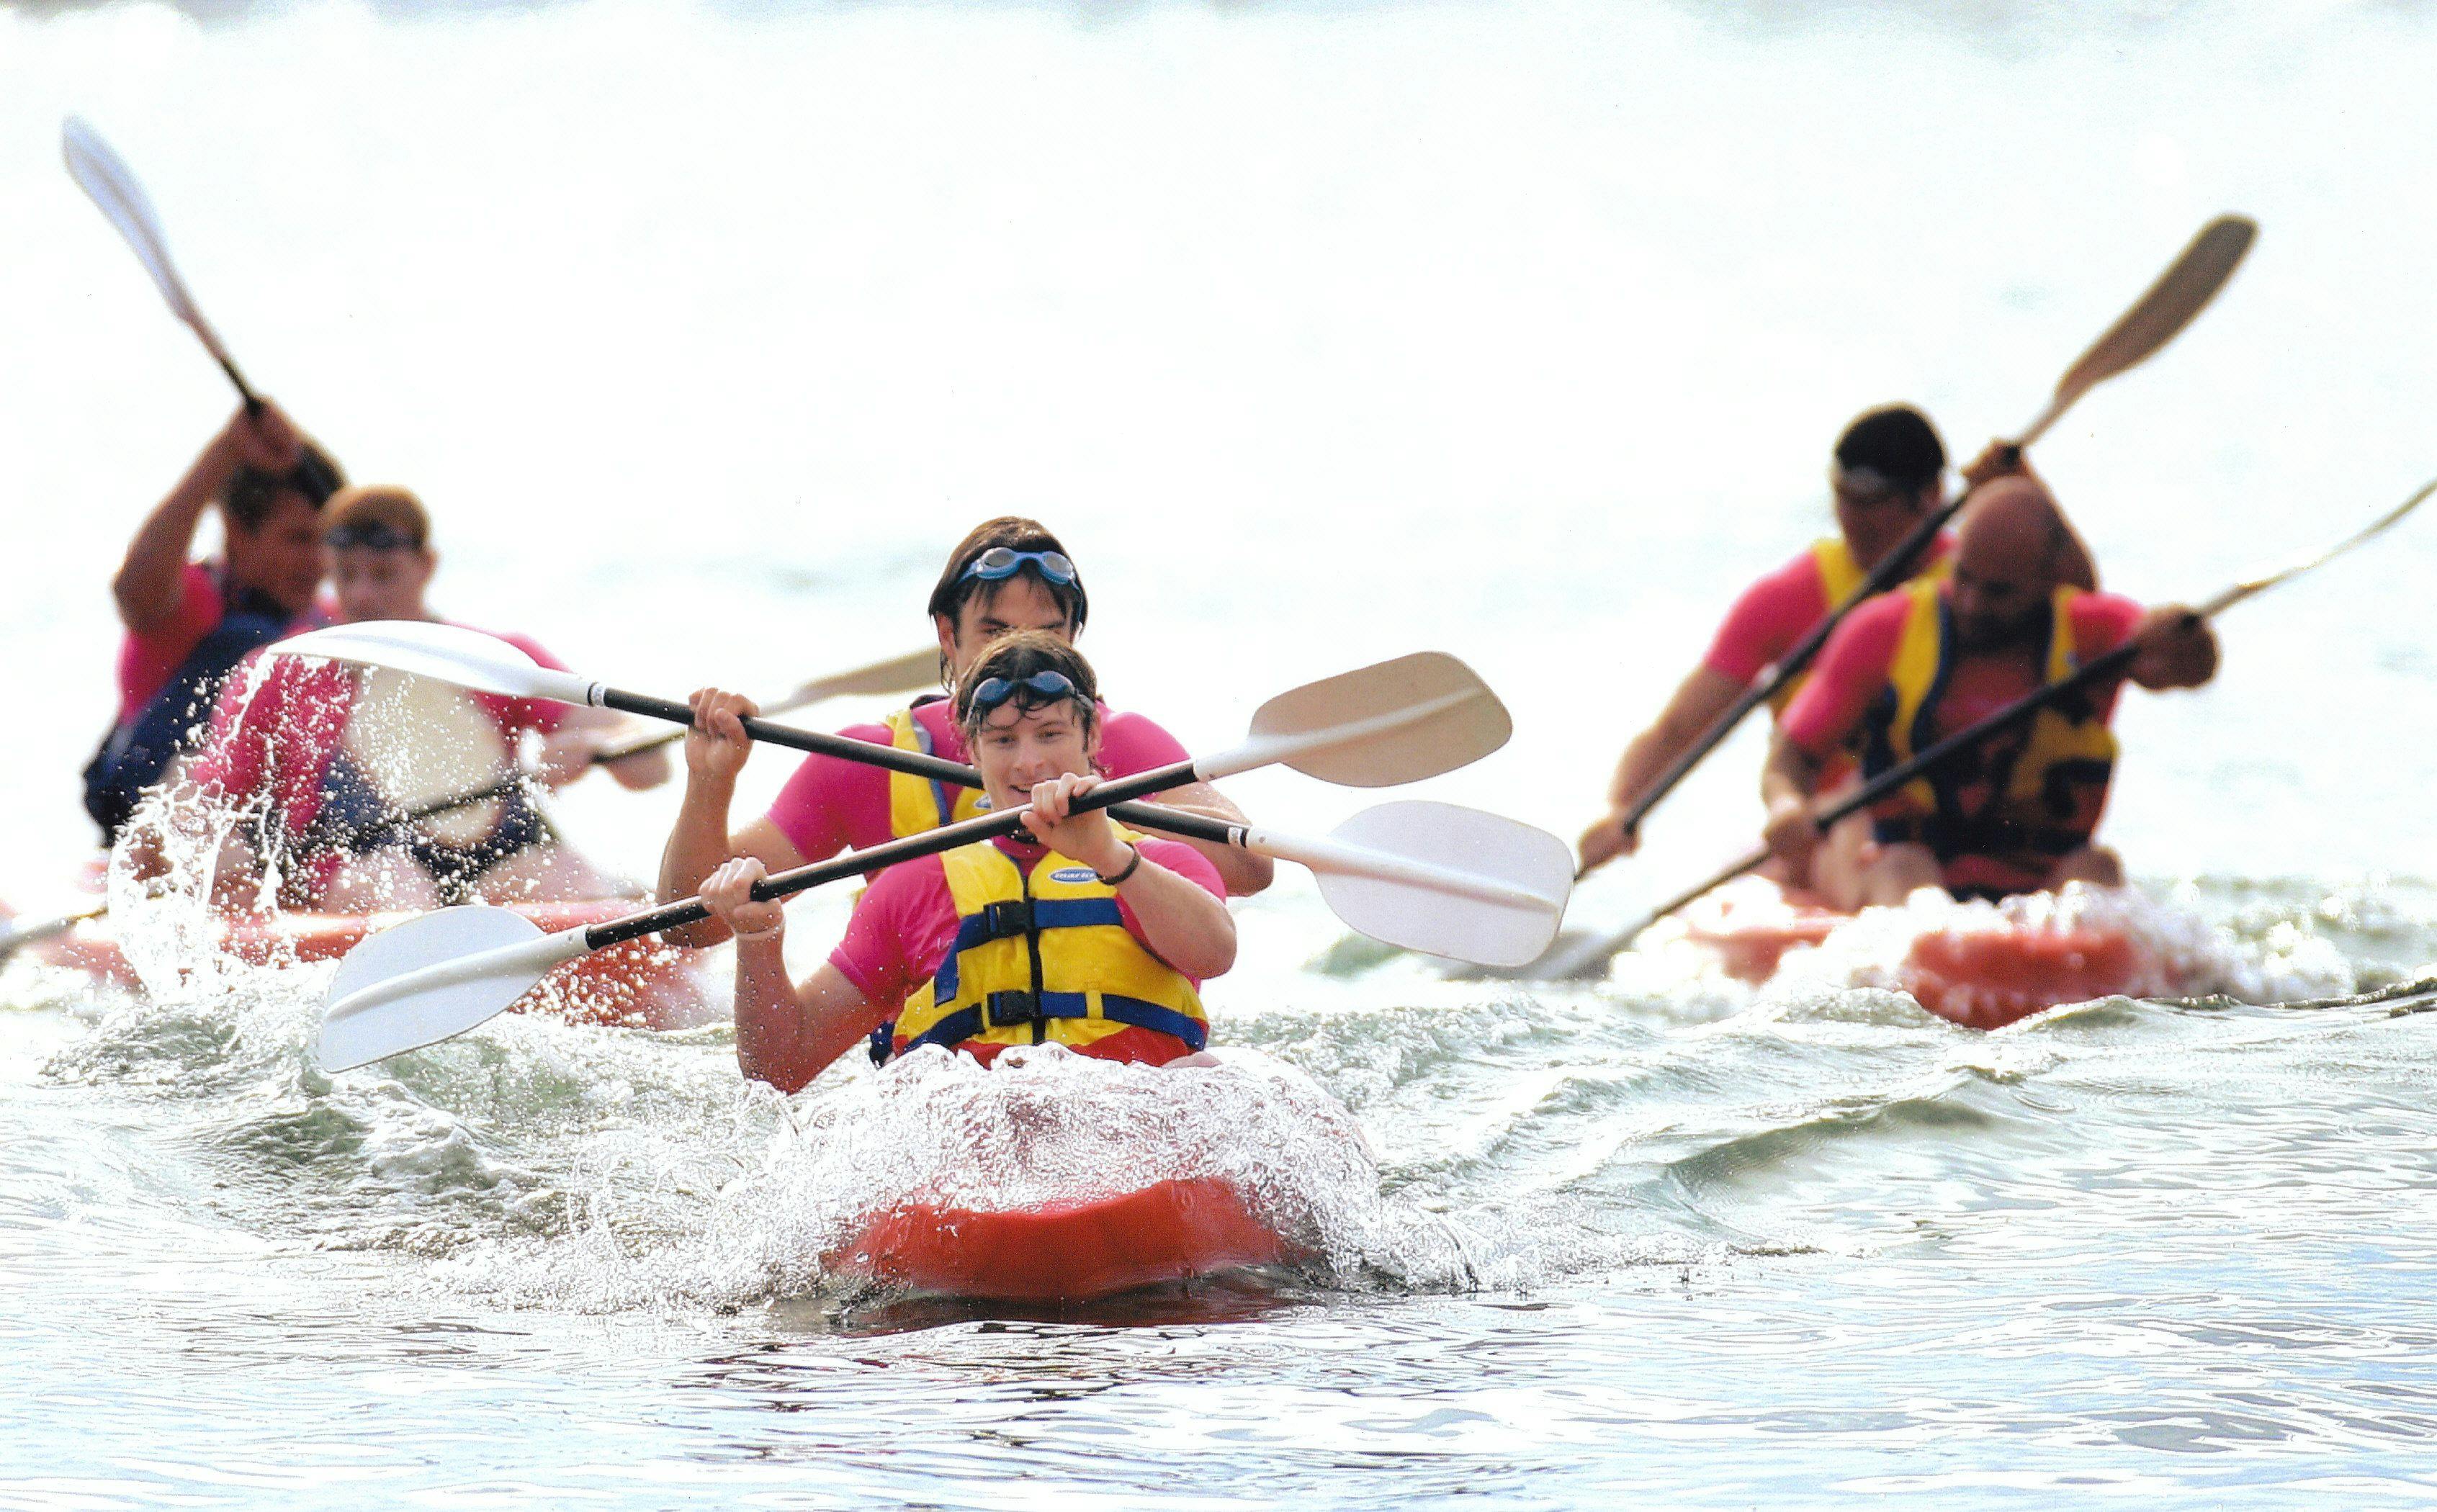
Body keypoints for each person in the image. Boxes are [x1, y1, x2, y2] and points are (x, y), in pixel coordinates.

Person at [658, 518, 1272, 947]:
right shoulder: (869, 760)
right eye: (996, 633)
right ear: (948, 637)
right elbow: (692, 925)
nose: (1023, 654)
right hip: (938, 1075)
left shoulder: (1123, 746)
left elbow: (1250, 870)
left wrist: (1104, 825)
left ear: (1074, 642)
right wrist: (709, 784)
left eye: (1047, 634)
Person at [1577, 405, 2097, 885]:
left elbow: (2086, 618)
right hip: (1835, 831)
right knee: (1865, 818)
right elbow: (1681, 726)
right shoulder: (1786, 599)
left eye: (1873, 504)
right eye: (1843, 497)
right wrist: (1618, 807)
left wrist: (2026, 492)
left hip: (1963, 821)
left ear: (1930, 496)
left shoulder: (1982, 584)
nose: (1853, 520)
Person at [699, 633, 1236, 1094]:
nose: (1028, 762)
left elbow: (1214, 953)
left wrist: (1105, 855)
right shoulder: (910, 885)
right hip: (977, 1151)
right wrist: (759, 940)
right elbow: (781, 1067)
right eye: (1002, 741)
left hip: (1133, 1134)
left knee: (1207, 1076)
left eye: (1050, 734)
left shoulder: (1159, 862)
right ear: (972, 753)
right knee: (897, 1094)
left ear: (1092, 737)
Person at [186, 485, 668, 910]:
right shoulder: (283, 670)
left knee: (568, 879)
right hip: (356, 863)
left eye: (383, 574)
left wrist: (598, 747)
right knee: (399, 891)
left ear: (426, 566)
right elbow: (214, 799)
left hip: (498, 855)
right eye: (346, 575)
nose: (363, 594)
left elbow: (651, 767)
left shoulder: (496, 658)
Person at [1759, 477, 2217, 908]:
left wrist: (2185, 638)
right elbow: (1791, 758)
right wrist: (1786, 807)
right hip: (1908, 864)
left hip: (2038, 869)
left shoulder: (2092, 632)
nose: (1973, 603)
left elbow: (2190, 667)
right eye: (1965, 578)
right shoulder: (1883, 630)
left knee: (2096, 869)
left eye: (1998, 592)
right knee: (1904, 872)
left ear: (2049, 582)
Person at [84, 400, 345, 840]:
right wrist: (225, 454)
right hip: (167, 834)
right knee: (253, 640)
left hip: (281, 840)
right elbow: (135, 586)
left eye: (327, 541)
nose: (318, 561)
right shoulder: (188, 606)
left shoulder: (334, 625)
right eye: (298, 538)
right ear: (237, 531)